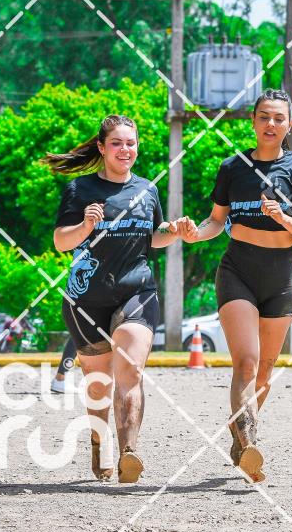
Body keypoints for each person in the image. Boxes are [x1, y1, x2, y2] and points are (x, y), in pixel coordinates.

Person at [183, 89, 292, 482]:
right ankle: (250, 444)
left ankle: (240, 432)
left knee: (264, 372)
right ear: (253, 121)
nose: (271, 124)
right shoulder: (232, 167)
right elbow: (215, 221)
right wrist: (195, 234)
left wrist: (282, 217)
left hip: (282, 276)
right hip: (238, 271)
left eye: (279, 118)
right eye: (264, 117)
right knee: (246, 362)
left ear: (289, 124)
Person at [47, 114, 189, 483]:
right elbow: (61, 241)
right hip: (86, 299)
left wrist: (173, 231)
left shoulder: (147, 190)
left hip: (136, 290)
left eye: (130, 143)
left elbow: (153, 237)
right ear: (101, 147)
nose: (125, 149)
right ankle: (100, 443)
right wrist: (85, 226)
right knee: (99, 384)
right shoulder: (80, 190)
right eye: (116, 143)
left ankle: (129, 451)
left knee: (131, 370)